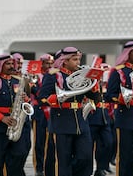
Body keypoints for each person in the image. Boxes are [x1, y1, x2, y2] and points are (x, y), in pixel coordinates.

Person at [38, 47, 99, 176]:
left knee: (85, 157)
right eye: (75, 59)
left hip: (81, 121)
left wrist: (95, 84)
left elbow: (96, 98)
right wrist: (59, 98)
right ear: (65, 61)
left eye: (79, 59)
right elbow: (42, 97)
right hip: (61, 122)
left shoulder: (83, 75)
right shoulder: (53, 75)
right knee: (62, 160)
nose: (78, 62)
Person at [0, 54, 32, 176]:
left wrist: (26, 100)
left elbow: (24, 99)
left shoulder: (18, 80)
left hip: (16, 124)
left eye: (12, 63)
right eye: (7, 64)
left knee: (19, 154)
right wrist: (2, 118)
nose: (11, 66)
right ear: (0, 65)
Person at [105, 41, 133, 176]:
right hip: (125, 117)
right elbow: (110, 95)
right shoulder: (118, 71)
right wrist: (125, 98)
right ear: (128, 53)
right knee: (125, 155)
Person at [87, 63, 114, 176]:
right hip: (92, 117)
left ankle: (101, 167)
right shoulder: (92, 83)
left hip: (105, 118)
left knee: (108, 143)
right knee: (89, 147)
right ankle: (87, 170)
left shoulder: (108, 85)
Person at [31, 54, 54, 176]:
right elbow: (38, 94)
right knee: (39, 141)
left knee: (50, 141)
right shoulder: (35, 76)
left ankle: (48, 166)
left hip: (51, 110)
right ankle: (38, 167)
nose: (49, 66)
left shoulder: (54, 75)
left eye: (51, 63)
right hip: (39, 111)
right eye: (47, 63)